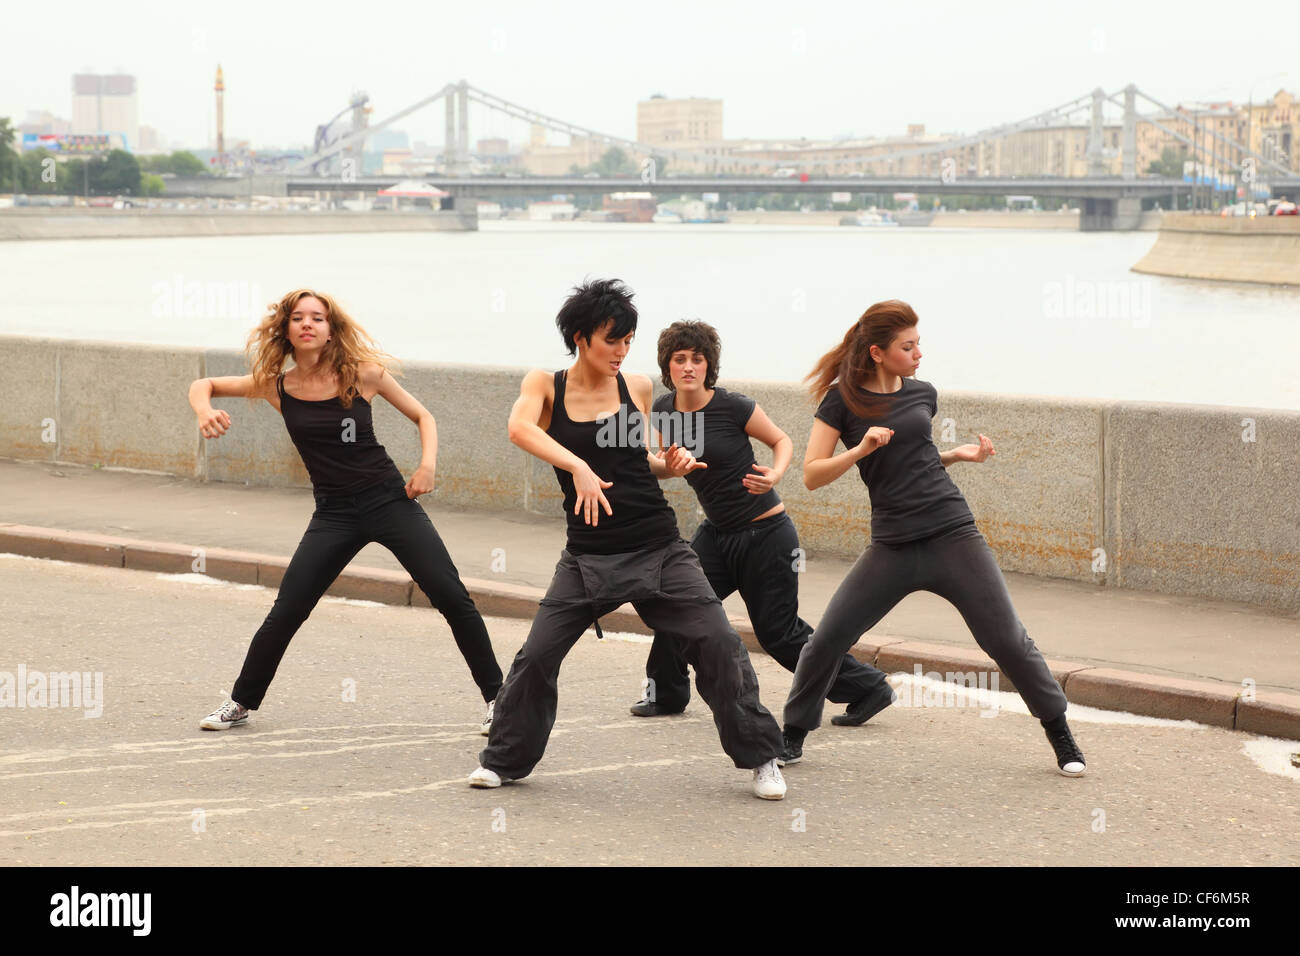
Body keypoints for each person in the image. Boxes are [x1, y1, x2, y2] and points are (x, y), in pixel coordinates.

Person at [468, 279, 788, 799]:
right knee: (536, 657)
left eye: (627, 340)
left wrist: (673, 463)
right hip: (587, 555)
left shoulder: (635, 387)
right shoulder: (545, 385)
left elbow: (645, 462)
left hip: (658, 546)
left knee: (720, 643)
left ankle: (762, 757)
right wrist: (578, 468)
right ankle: (503, 760)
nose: (621, 351)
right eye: (611, 339)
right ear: (580, 338)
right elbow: (518, 429)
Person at [781, 299, 1086, 777]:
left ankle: (1059, 732)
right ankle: (793, 735)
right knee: (827, 640)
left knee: (1007, 640)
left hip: (952, 534)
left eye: (919, 342)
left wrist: (957, 456)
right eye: (909, 345)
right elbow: (812, 475)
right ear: (879, 352)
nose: (919, 352)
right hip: (892, 546)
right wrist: (860, 449)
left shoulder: (923, 393)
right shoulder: (842, 400)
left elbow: (912, 460)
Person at [191, 288, 502, 733]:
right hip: (333, 514)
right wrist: (204, 410)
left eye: (317, 318)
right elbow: (203, 384)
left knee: (452, 596)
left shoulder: (364, 375)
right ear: (287, 330)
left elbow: (424, 417)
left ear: (331, 329)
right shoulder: (276, 385)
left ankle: (499, 698)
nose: (307, 324)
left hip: (389, 501)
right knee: (289, 608)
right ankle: (241, 702)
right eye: (298, 318)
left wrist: (427, 465)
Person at [629, 320, 890, 732]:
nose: (688, 367)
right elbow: (662, 466)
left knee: (778, 634)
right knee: (675, 604)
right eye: (679, 359)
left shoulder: (733, 406)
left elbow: (782, 441)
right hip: (716, 534)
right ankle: (665, 691)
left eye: (697, 359)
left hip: (766, 534)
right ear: (668, 365)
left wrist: (775, 474)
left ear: (708, 364)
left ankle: (867, 686)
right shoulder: (663, 410)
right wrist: (666, 466)